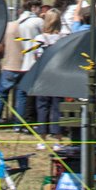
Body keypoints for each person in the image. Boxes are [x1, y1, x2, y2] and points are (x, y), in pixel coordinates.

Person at [32, 10, 64, 139]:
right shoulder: (62, 38)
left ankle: (42, 135)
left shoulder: (39, 39)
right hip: (57, 75)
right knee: (57, 105)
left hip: (43, 75)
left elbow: (36, 57)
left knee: (42, 105)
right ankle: (57, 135)